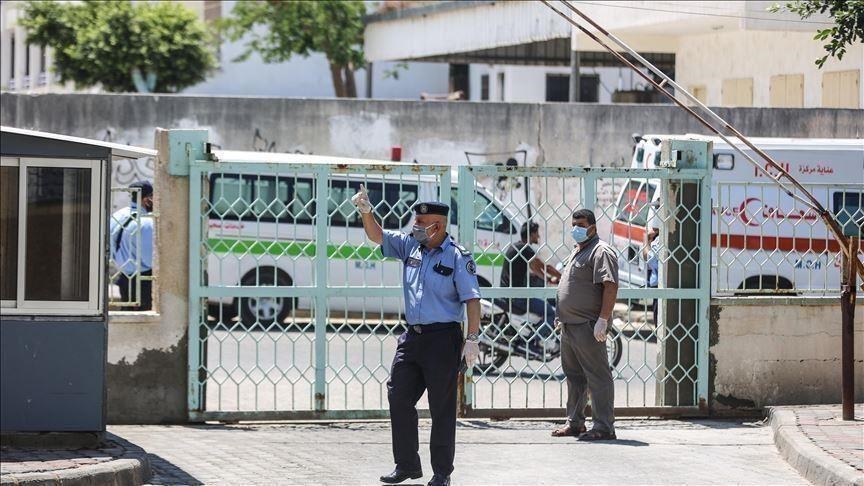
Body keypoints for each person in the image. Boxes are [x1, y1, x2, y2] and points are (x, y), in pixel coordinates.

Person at [351, 185, 481, 486]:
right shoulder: (411, 245)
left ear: (438, 226)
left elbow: (472, 299)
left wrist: (472, 338)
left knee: (441, 408)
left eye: (421, 223)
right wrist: (366, 211)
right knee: (398, 395)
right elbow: (377, 236)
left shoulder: (457, 257)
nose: (416, 226)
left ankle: (442, 473)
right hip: (412, 337)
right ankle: (407, 464)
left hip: (443, 339)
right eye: (415, 221)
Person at [551, 209, 618, 441]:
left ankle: (604, 427)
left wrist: (603, 319)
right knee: (574, 377)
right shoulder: (578, 251)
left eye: (580, 225)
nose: (576, 229)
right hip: (569, 325)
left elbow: (610, 286)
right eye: (574, 225)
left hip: (588, 325)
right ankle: (575, 423)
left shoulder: (601, 251)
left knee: (598, 377)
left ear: (593, 227)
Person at [499, 221, 561, 353]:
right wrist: (562, 276)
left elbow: (535, 268)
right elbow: (544, 267)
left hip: (508, 293)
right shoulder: (525, 249)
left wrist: (547, 279)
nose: (538, 236)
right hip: (518, 297)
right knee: (551, 312)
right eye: (536, 233)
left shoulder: (516, 246)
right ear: (531, 234)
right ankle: (533, 341)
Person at [110, 180, 154, 311]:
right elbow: (151, 260)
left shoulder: (118, 215)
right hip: (142, 281)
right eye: (153, 197)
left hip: (124, 276)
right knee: (144, 318)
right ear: (146, 199)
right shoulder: (146, 223)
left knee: (127, 315)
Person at [643, 226, 661, 325]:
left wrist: (646, 239)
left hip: (660, 287)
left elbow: (648, 257)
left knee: (660, 324)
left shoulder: (661, 239)